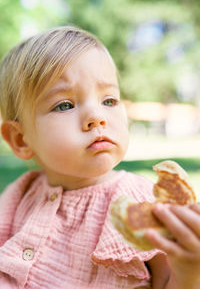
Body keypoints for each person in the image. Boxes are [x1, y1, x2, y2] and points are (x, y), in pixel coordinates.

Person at [0, 26, 199, 289]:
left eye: (109, 100)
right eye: (65, 105)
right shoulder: (19, 196)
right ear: (21, 140)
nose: (97, 117)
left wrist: (189, 272)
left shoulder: (143, 204)